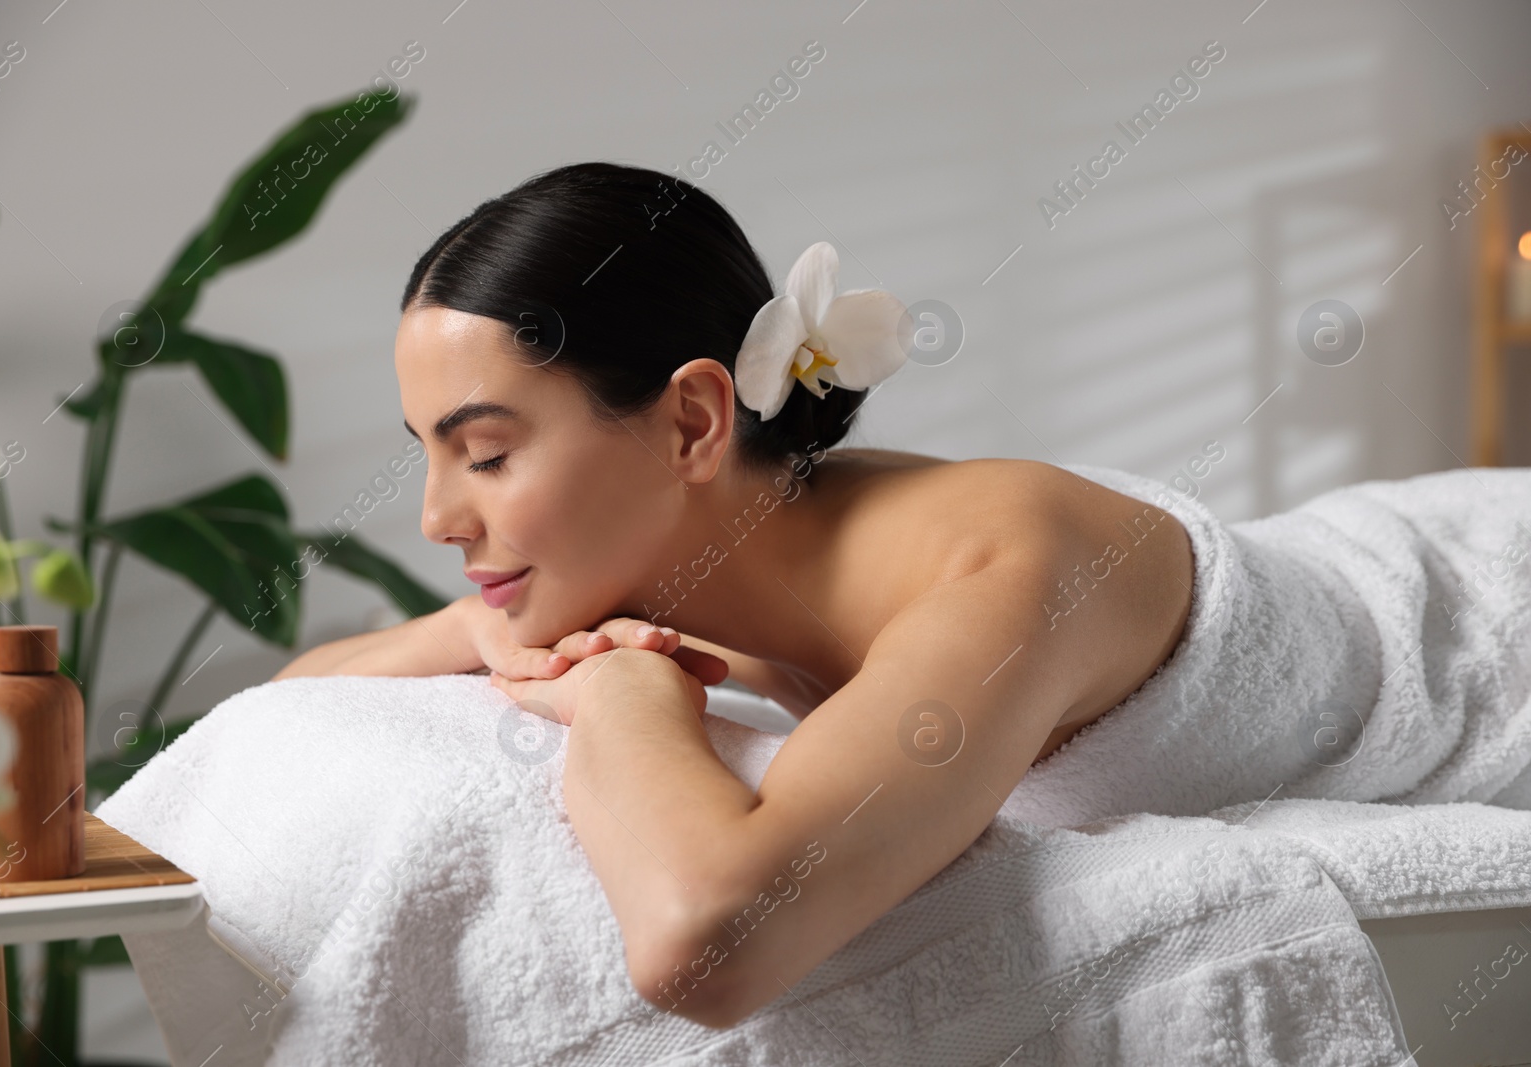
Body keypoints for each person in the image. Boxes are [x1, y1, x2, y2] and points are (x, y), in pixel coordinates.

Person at [272, 161, 1195, 1028]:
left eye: (487, 456)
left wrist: (620, 689)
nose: (437, 519)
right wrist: (479, 623)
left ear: (691, 422)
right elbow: (295, 693)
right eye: (428, 456)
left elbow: (705, 945)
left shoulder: (1004, 575)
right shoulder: (675, 550)